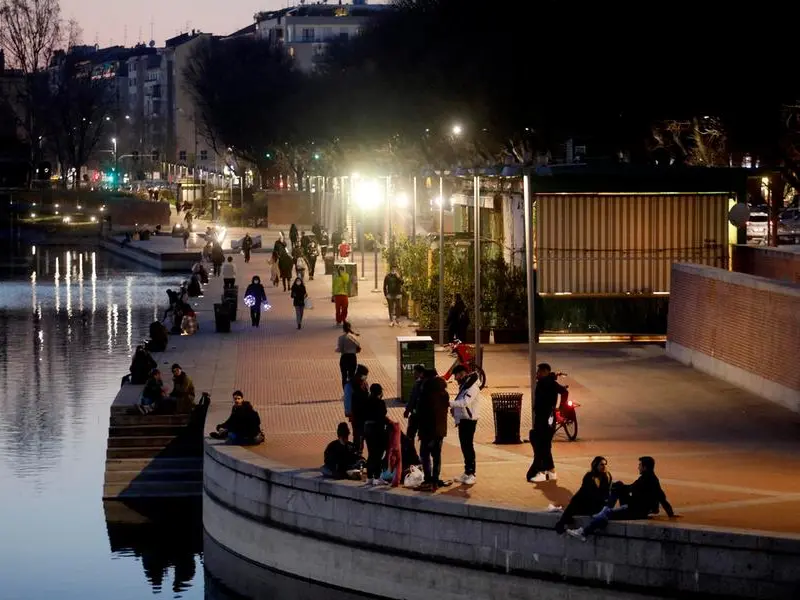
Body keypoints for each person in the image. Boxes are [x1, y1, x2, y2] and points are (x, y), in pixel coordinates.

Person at [567, 456, 679, 541]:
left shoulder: (646, 480)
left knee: (608, 514)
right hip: (635, 507)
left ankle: (584, 532)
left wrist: (670, 513)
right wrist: (670, 513)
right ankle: (604, 510)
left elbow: (658, 496)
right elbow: (661, 496)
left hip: (636, 511)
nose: (638, 467)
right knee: (618, 488)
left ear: (644, 467)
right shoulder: (650, 478)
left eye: (639, 465)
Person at [527, 363, 568, 482]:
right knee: (544, 445)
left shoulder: (549, 383)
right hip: (543, 417)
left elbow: (564, 392)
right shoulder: (546, 382)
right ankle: (551, 471)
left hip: (546, 418)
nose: (537, 374)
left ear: (545, 372)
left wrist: (560, 408)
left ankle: (542, 471)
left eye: (539, 371)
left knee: (542, 444)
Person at [555, 456, 612, 534]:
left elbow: (607, 493)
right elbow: (583, 491)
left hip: (599, 506)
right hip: (589, 503)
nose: (604, 467)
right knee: (575, 502)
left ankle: (563, 522)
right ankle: (563, 522)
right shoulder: (589, 476)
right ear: (596, 465)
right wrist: (574, 499)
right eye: (601, 464)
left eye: (605, 464)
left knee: (574, 505)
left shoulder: (607, 476)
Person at [416, 370, 450, 491]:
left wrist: (418, 431)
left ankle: (428, 479)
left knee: (425, 455)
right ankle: (435, 480)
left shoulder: (425, 395)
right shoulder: (444, 394)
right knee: (436, 456)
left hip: (427, 431)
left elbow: (421, 415)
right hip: (440, 431)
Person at [450, 365, 481, 485]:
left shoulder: (472, 387)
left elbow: (465, 402)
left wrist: (449, 404)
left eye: (456, 375)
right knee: (464, 446)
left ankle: (472, 473)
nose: (455, 378)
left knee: (468, 446)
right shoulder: (465, 385)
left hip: (469, 420)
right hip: (463, 419)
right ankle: (467, 472)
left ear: (462, 373)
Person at [363, 383, 388, 486]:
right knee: (378, 454)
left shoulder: (366, 401)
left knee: (371, 453)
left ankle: (369, 477)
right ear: (379, 392)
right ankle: (377, 477)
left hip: (368, 429)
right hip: (377, 430)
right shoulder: (380, 403)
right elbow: (382, 415)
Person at [343, 364, 369, 454]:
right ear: (359, 374)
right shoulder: (350, 385)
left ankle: (360, 451)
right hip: (356, 415)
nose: (365, 378)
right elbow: (347, 400)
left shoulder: (365, 384)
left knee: (365, 435)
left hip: (365, 414)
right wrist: (349, 413)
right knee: (358, 435)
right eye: (364, 375)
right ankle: (357, 452)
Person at [403, 364, 427, 441]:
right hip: (422, 414)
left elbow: (412, 398)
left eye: (415, 373)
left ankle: (410, 451)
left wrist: (407, 410)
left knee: (410, 434)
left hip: (416, 414)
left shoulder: (418, 384)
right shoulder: (424, 383)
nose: (414, 374)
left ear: (421, 373)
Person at [336, 321, 361, 388]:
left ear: (343, 329)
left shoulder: (341, 338)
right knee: (352, 375)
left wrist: (337, 350)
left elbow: (340, 349)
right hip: (352, 357)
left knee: (344, 376)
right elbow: (359, 349)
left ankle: (345, 391)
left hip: (344, 357)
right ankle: (351, 391)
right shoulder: (354, 337)